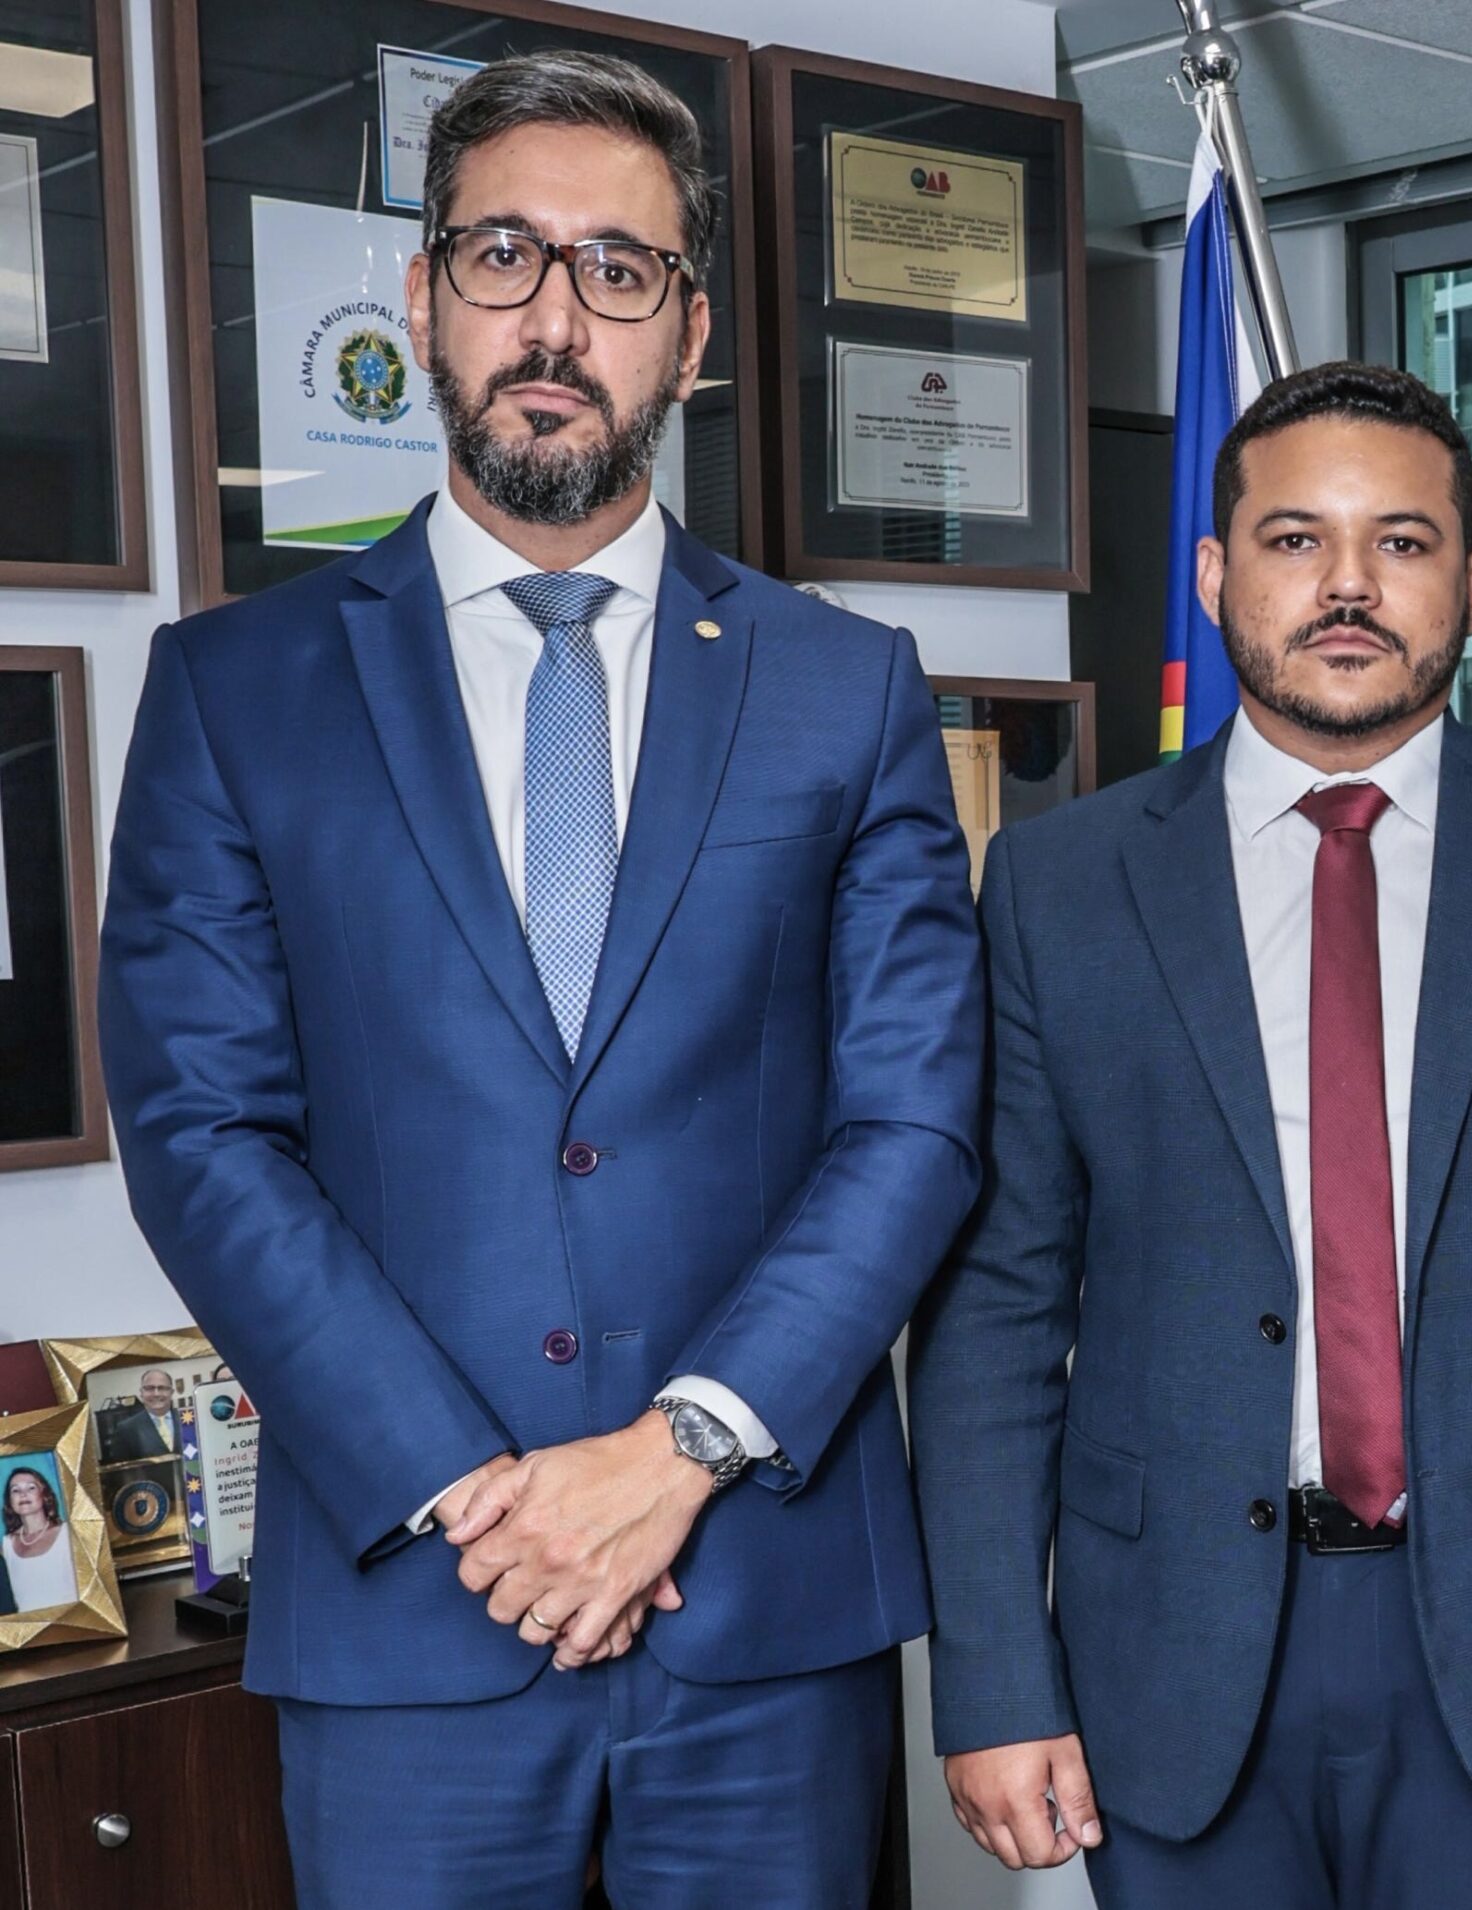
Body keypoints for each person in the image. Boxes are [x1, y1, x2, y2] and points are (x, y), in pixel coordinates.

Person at [99, 51, 982, 1906]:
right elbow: (200, 1129)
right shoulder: (235, 690)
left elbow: (913, 1122)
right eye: (503, 254)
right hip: (415, 1606)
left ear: (692, 334)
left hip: (761, 1605)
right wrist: (474, 1496)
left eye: (619, 268)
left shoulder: (847, 688)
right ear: (422, 296)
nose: (556, 319)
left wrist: (679, 1452)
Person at [911, 361, 1472, 1909]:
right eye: (1295, 539)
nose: (1347, 585)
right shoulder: (1061, 885)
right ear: (1215, 574)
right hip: (1171, 1650)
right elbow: (999, 1307)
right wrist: (996, 1673)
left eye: (1402, 542)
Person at [3, 1466, 78, 1614]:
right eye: (15, 1490)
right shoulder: (6, 1545)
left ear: (45, 1495)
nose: (23, 1494)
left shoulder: (68, 1534)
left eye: (31, 1488)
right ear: (10, 1501)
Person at [101, 1367, 179, 1461]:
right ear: (141, 1393)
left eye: (162, 1388)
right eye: (149, 1388)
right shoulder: (126, 1429)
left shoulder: (189, 1418)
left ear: (171, 1392)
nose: (156, 1394)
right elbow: (122, 1468)